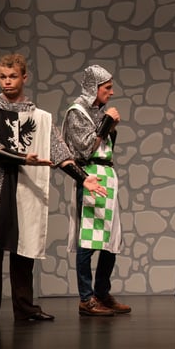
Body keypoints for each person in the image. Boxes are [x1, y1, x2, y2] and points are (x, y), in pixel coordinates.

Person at [0, 53, 105, 323]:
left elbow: (60, 152)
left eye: (12, 76)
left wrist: (83, 178)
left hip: (28, 188)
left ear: (24, 77)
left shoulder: (40, 118)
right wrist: (24, 158)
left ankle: (24, 306)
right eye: (2, 76)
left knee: (26, 247)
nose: (6, 81)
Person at [61, 64, 132, 317]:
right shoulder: (77, 112)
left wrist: (109, 126)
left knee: (111, 240)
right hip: (89, 174)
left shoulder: (98, 112)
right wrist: (107, 123)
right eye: (107, 88)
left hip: (107, 175)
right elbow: (85, 148)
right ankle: (86, 298)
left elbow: (105, 148)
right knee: (88, 239)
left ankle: (102, 292)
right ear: (94, 88)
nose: (111, 92)